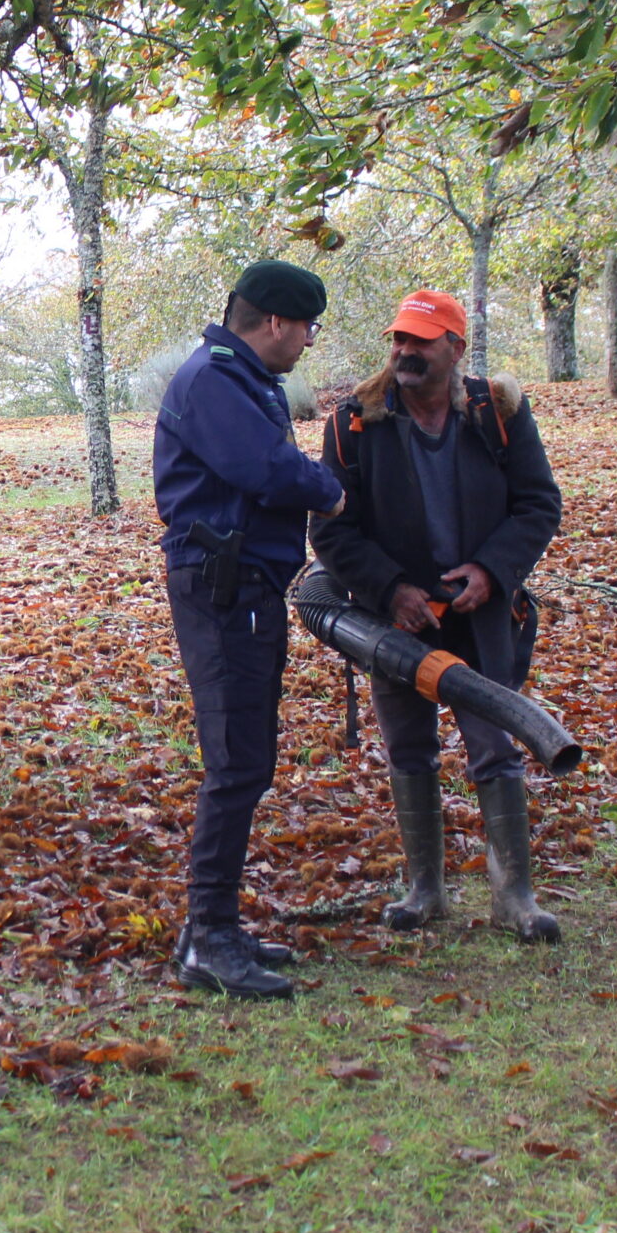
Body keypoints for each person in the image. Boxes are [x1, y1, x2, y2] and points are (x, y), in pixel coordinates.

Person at [310, 289, 565, 941]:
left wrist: (492, 569)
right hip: (398, 622)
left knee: (494, 746)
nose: (405, 352)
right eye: (399, 338)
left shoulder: (498, 413)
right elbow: (332, 534)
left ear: (455, 347)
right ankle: (425, 888)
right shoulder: (354, 423)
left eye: (421, 341)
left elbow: (537, 504)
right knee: (409, 747)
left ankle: (516, 898)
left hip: (481, 618)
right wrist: (391, 589)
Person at [153, 260, 346, 998]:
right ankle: (208, 936)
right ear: (274, 322)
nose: (305, 343)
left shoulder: (239, 378)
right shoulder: (213, 381)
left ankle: (215, 925)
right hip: (222, 588)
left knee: (249, 758)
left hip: (248, 586)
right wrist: (328, 490)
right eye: (306, 329)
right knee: (236, 762)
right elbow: (265, 469)